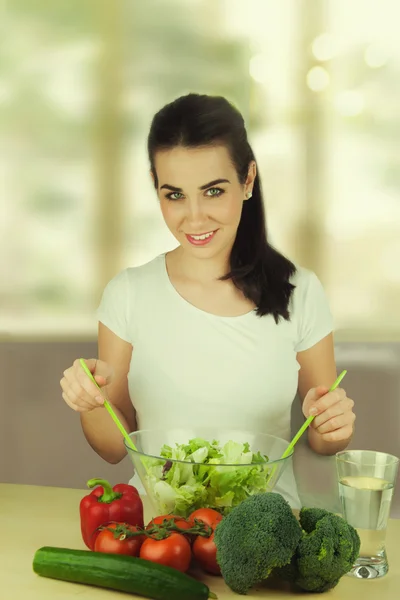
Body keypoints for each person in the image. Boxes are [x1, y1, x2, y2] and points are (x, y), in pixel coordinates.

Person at [60, 93, 356, 508]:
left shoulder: (300, 291)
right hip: (159, 533)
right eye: (175, 195)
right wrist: (89, 402)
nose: (195, 218)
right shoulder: (128, 293)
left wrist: (333, 427)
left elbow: (322, 437)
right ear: (155, 188)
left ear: (248, 180)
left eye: (213, 191)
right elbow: (114, 447)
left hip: (265, 531)